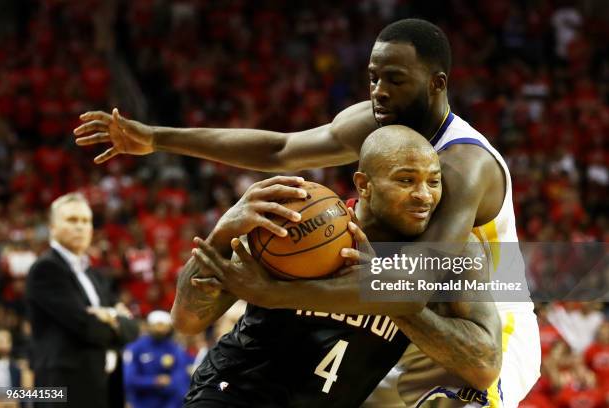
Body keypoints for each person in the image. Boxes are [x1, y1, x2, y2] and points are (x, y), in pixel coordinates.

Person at [74, 18, 540, 407]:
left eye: (394, 80)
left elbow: (412, 282)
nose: (378, 91)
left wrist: (273, 293)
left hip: (480, 311)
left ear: (437, 84)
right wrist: (156, 138)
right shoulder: (381, 125)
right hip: (394, 305)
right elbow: (281, 149)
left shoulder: (463, 165)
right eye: (373, 77)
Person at [172, 126, 502, 407]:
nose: (424, 195)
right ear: (364, 185)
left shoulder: (450, 254)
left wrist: (390, 294)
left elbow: (485, 365)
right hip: (234, 393)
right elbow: (187, 319)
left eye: (434, 181)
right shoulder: (301, 222)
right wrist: (222, 231)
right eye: (406, 180)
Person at [26, 193, 139, 408]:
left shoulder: (95, 275)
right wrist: (118, 321)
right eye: (72, 220)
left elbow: (132, 328)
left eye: (86, 221)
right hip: (63, 389)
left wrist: (110, 317)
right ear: (52, 227)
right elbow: (85, 326)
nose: (80, 227)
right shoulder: (46, 269)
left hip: (102, 386)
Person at [123, 310, 191, 408]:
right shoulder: (135, 348)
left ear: (168, 327)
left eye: (163, 325)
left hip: (168, 404)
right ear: (148, 325)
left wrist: (169, 383)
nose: (160, 328)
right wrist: (154, 381)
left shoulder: (175, 349)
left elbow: (181, 379)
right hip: (140, 403)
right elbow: (128, 379)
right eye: (157, 325)